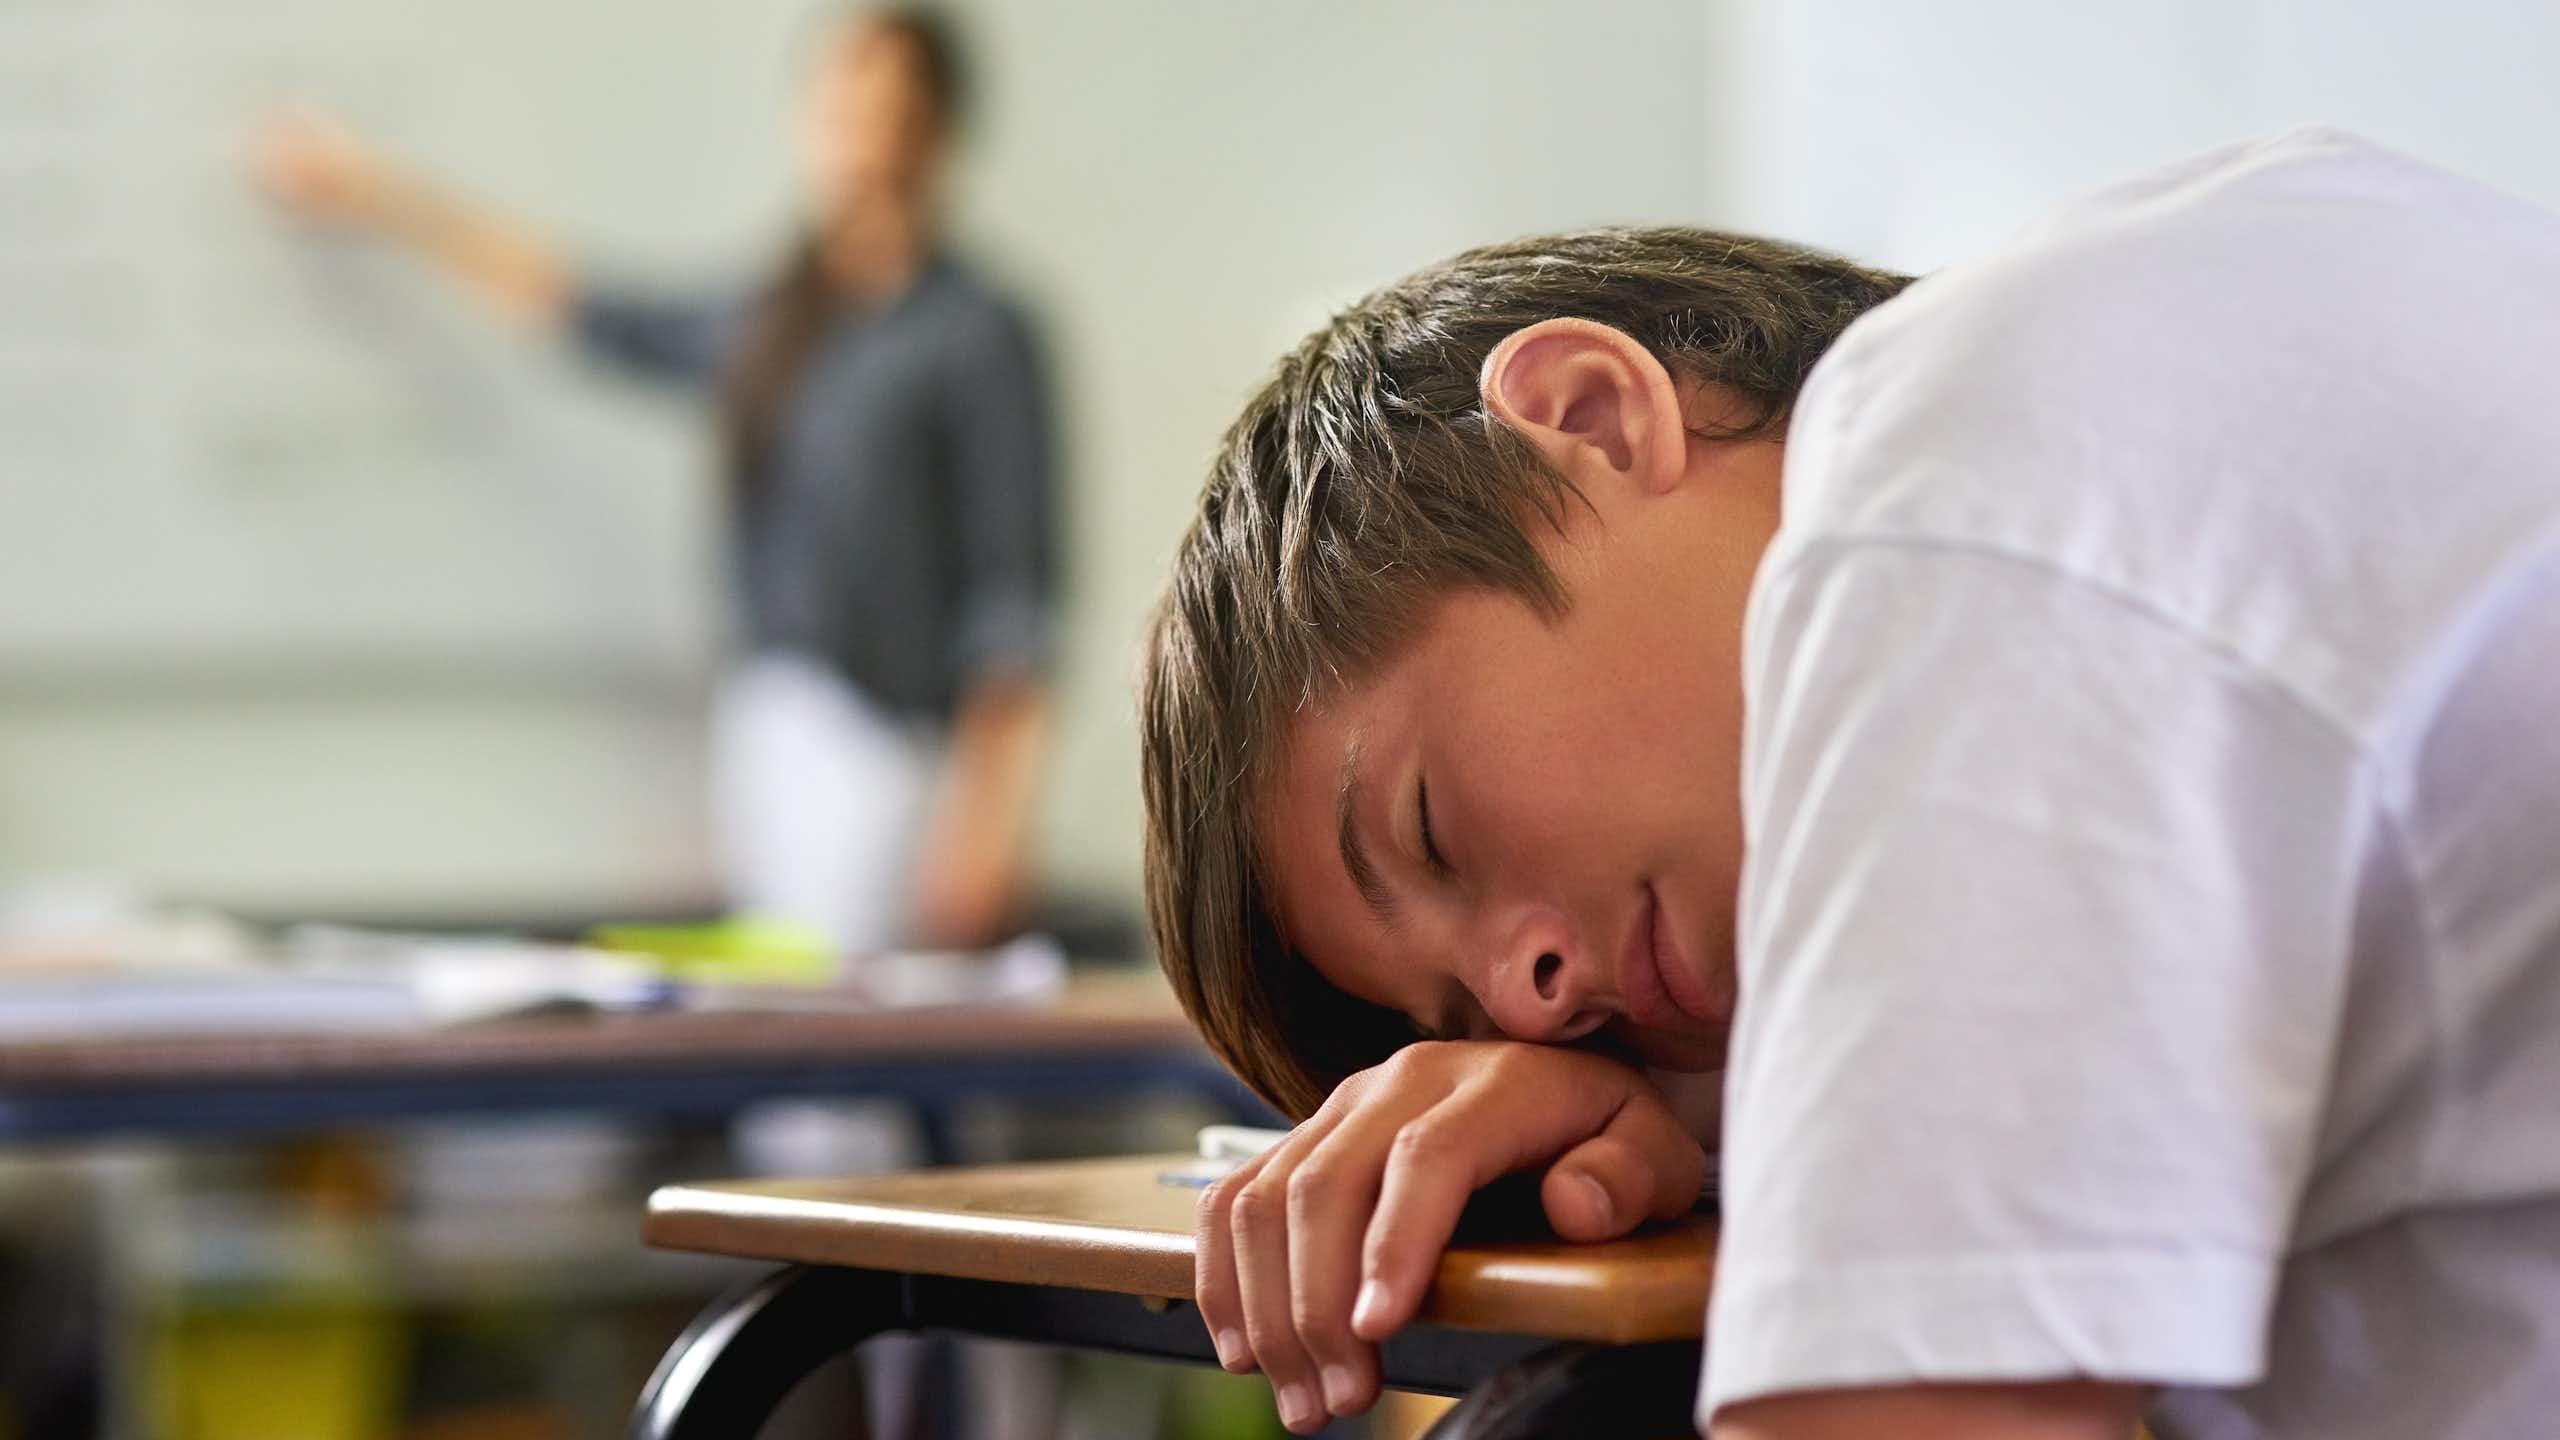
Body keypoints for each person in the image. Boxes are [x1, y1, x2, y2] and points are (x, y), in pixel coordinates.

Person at [1139, 127, 2560, 1439]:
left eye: (1431, 833)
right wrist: (1674, 1149)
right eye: (1465, 1016)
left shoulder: (1953, 491)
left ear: (1589, 415)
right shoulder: (2200, 316)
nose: (1537, 996)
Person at [253, 6, 1056, 956]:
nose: (865, 145)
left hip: (895, 759)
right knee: (783, 1041)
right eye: (844, 112)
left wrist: (989, 818)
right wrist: (377, 194)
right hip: (770, 740)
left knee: (856, 1063)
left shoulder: (976, 333)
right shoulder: (775, 320)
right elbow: (588, 308)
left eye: (894, 114)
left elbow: (1017, 602)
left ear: (941, 132)